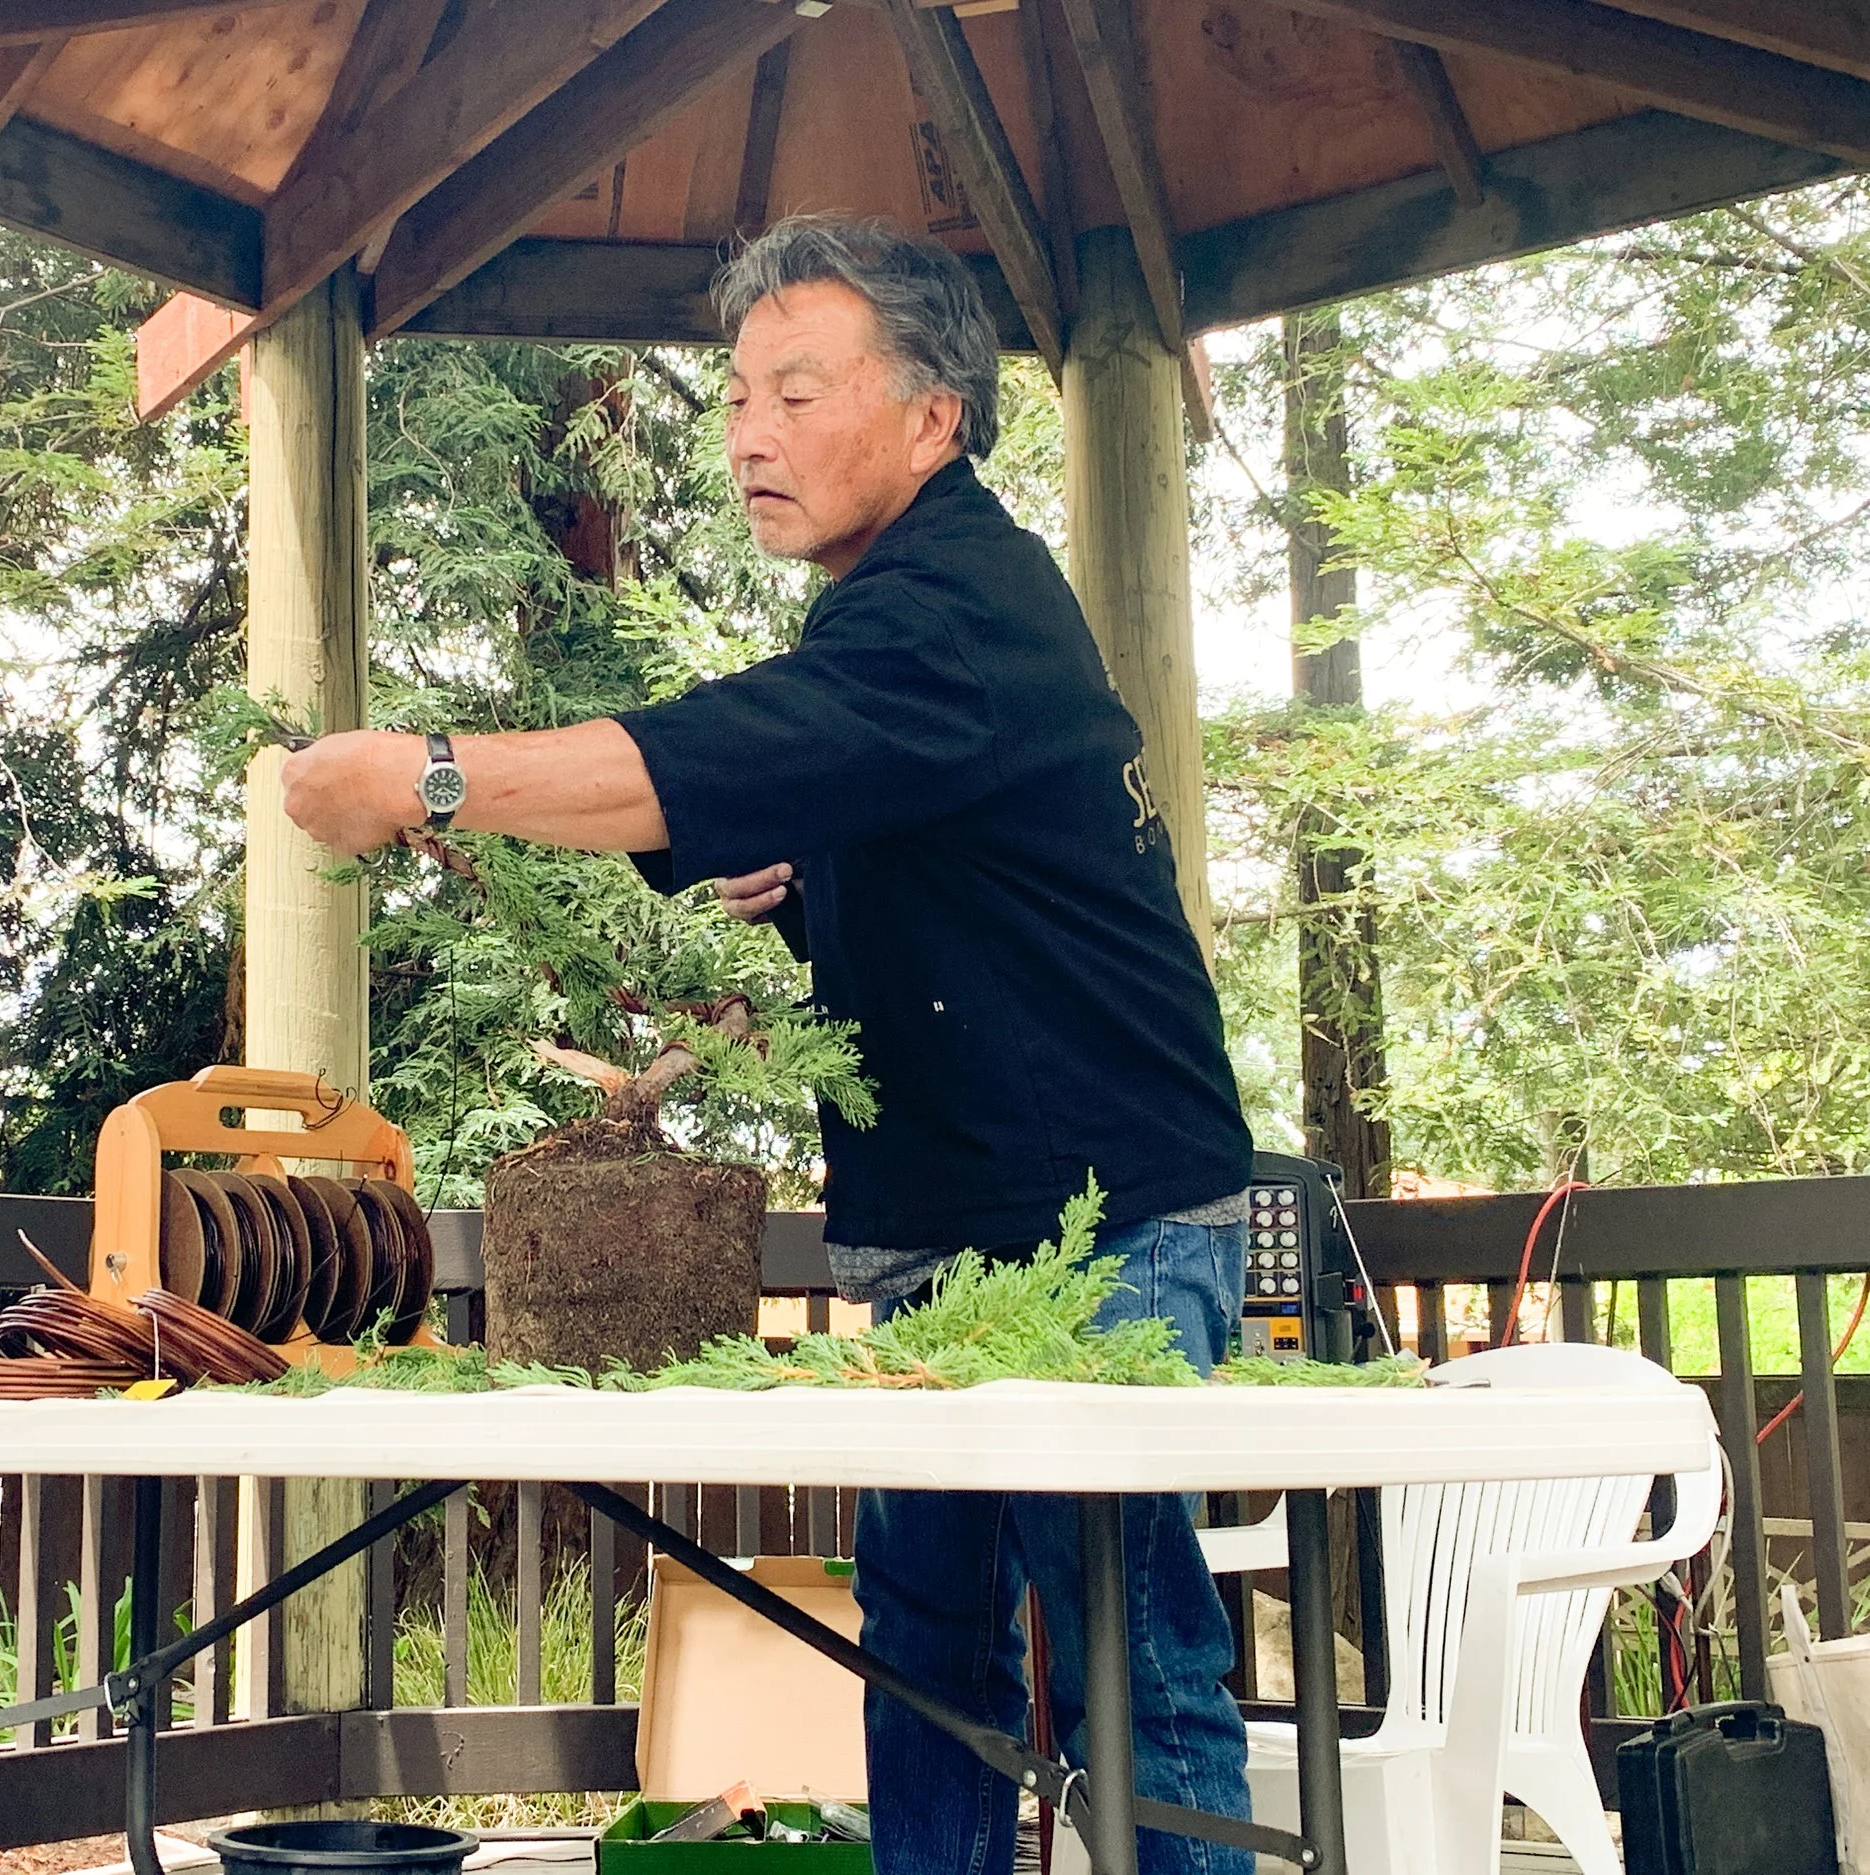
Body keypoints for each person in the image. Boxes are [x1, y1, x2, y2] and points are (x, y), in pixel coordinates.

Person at [279, 214, 1255, 1875]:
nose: (747, 433)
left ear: (936, 415)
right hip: (945, 1216)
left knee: (1126, 1659)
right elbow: (915, 856)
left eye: (799, 390)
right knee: (921, 1645)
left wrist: (425, 775)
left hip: (1117, 1215)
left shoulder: (957, 604)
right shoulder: (892, 618)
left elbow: (718, 753)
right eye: (737, 395)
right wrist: (799, 900)